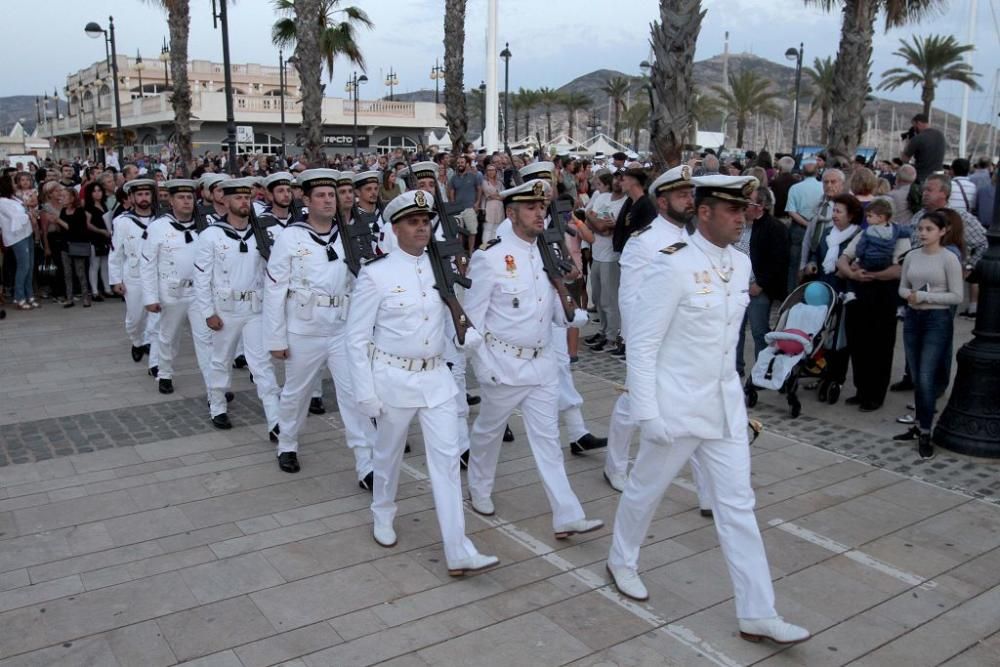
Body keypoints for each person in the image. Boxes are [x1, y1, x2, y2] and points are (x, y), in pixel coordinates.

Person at [606, 174, 810, 645]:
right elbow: (643, 341)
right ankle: (622, 559)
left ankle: (758, 611)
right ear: (704, 213)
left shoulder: (739, 264)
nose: (744, 218)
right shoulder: (671, 265)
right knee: (646, 489)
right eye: (734, 210)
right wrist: (647, 412)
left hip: (723, 406)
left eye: (746, 209)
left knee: (738, 506)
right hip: (676, 404)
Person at [345, 189, 500, 576]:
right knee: (388, 453)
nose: (421, 229)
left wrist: (472, 346)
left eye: (424, 222)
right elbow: (356, 338)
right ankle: (382, 511)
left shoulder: (441, 269)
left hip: (436, 378)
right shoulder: (376, 274)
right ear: (395, 228)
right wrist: (363, 391)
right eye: (412, 223)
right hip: (393, 377)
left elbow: (453, 321)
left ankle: (458, 548)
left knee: (446, 463)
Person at [463, 179, 604, 538]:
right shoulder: (489, 257)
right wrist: (483, 368)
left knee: (547, 441)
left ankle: (567, 514)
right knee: (489, 431)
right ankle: (479, 488)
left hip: (541, 363)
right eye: (531, 207)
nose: (540, 213)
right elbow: (471, 322)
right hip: (503, 364)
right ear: (511, 213)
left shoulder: (545, 252)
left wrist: (571, 308)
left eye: (542, 207)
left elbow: (553, 309)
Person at [603, 165, 712, 513]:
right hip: (654, 341)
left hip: (687, 342)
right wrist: (637, 345)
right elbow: (630, 296)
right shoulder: (645, 241)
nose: (689, 200)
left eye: (690, 193)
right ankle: (615, 466)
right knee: (632, 407)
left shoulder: (696, 237)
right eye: (682, 195)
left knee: (693, 410)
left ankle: (708, 490)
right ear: (662, 202)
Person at [264, 169, 377, 480]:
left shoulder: (349, 234)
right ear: (307, 200)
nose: (329, 201)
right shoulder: (290, 237)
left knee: (354, 394)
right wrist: (276, 339)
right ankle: (287, 442)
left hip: (342, 328)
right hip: (303, 329)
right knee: (295, 393)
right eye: (322, 195)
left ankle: (366, 463)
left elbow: (362, 282)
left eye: (333, 194)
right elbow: (274, 289)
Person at [193, 177, 277, 431]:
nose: (244, 202)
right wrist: (208, 312)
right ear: (227, 201)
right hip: (225, 310)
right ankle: (217, 404)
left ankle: (275, 420)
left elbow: (270, 271)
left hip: (255, 309)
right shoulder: (211, 235)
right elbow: (201, 277)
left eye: (247, 198)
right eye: (238, 198)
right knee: (220, 360)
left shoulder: (260, 233)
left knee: (262, 364)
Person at [893, 210, 964, 460]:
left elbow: (957, 296)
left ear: (942, 232)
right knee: (915, 371)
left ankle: (925, 430)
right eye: (921, 229)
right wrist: (909, 296)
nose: (922, 233)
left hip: (936, 318)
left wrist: (924, 296)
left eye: (929, 229)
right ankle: (919, 425)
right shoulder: (912, 256)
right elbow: (902, 286)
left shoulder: (948, 258)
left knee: (925, 374)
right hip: (913, 316)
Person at [836, 199, 911, 412]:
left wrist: (872, 275)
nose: (868, 220)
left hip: (884, 296)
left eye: (872, 216)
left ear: (884, 216)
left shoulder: (900, 237)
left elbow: (899, 269)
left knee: (880, 347)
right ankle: (861, 390)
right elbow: (844, 257)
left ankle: (875, 394)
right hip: (859, 295)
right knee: (858, 344)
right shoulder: (863, 234)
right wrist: (852, 273)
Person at [140, 179, 213, 395]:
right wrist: (150, 297)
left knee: (206, 339)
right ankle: (164, 373)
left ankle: (214, 386)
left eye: (189, 197)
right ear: (171, 200)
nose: (186, 201)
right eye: (181, 197)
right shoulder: (158, 227)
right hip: (171, 292)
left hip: (199, 293)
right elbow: (147, 265)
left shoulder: (204, 225)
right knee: (168, 336)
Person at [802, 193, 864, 403]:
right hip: (823, 289)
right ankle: (821, 370)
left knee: (839, 338)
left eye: (839, 212)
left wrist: (849, 269)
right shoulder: (828, 233)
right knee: (822, 334)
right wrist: (812, 263)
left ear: (851, 215)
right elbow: (816, 254)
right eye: (834, 211)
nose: (834, 215)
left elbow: (858, 262)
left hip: (844, 292)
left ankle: (836, 377)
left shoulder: (856, 236)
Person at [737, 185, 790, 377]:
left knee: (760, 332)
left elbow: (778, 261)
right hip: (736, 287)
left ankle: (763, 369)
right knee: (736, 330)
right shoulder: (740, 223)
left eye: (748, 202)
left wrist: (760, 284)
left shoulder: (774, 228)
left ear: (761, 206)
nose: (744, 206)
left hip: (757, 289)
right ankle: (736, 368)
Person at [110, 179, 161, 371]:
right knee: (135, 318)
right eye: (139, 194)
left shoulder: (162, 220)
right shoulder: (122, 222)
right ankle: (137, 340)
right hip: (134, 276)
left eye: (147, 194)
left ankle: (155, 363)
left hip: (157, 276)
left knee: (157, 320)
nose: (144, 198)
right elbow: (115, 252)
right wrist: (115, 280)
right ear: (131, 198)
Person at [583, 170, 626, 353]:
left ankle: (612, 336)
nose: (618, 182)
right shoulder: (602, 197)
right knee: (598, 298)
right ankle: (603, 330)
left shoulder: (624, 203)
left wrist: (596, 223)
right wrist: (598, 224)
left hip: (611, 256)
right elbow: (589, 217)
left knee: (609, 299)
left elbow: (605, 227)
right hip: (597, 253)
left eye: (621, 179)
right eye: (616, 178)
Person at [786, 158, 824, 291]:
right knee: (815, 262)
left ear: (802, 172)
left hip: (799, 227)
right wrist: (811, 225)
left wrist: (807, 224)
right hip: (818, 227)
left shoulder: (795, 188)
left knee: (795, 263)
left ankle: (792, 295)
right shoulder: (822, 187)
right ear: (817, 172)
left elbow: (791, 211)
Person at [0, 173, 36, 310]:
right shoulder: (2, 201)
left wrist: (28, 212)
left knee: (30, 266)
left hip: (27, 233)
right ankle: (19, 297)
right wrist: (28, 214)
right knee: (23, 266)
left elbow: (26, 208)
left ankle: (29, 295)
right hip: (16, 236)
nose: (16, 184)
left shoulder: (14, 197)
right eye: (13, 182)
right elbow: (16, 217)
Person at [58, 185, 92, 308]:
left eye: (64, 196)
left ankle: (85, 297)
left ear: (72, 198)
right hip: (65, 245)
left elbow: (74, 229)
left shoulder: (79, 211)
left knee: (80, 272)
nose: (62, 198)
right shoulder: (63, 211)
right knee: (67, 273)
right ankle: (69, 298)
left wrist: (57, 220)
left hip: (77, 244)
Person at [83, 182, 112, 301]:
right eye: (94, 191)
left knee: (105, 264)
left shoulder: (104, 205)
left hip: (105, 237)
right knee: (94, 265)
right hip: (94, 238)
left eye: (99, 190)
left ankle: (107, 289)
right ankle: (94, 291)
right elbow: (87, 224)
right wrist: (100, 230)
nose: (97, 193)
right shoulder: (88, 207)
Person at [448, 155, 482, 256]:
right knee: (459, 232)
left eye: (462, 163)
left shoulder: (473, 176)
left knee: (472, 231)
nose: (460, 165)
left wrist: (477, 203)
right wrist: (453, 203)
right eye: (458, 163)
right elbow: (452, 191)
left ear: (467, 164)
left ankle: (471, 252)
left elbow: (479, 189)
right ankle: (460, 253)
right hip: (457, 210)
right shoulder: (454, 178)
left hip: (470, 208)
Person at [901, 113, 945, 182]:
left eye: (914, 126)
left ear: (918, 123)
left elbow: (904, 159)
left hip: (921, 177)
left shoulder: (918, 138)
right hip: (938, 177)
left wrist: (908, 143)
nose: (914, 129)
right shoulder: (940, 135)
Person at [480, 163, 504, 243]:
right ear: (486, 172)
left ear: (496, 171)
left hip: (499, 206)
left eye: (492, 170)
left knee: (497, 228)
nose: (491, 172)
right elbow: (488, 193)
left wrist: (496, 196)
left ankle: (493, 246)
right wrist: (498, 196)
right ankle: (484, 247)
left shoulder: (499, 183)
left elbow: (504, 194)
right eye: (489, 170)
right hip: (489, 206)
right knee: (488, 228)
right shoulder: (484, 182)